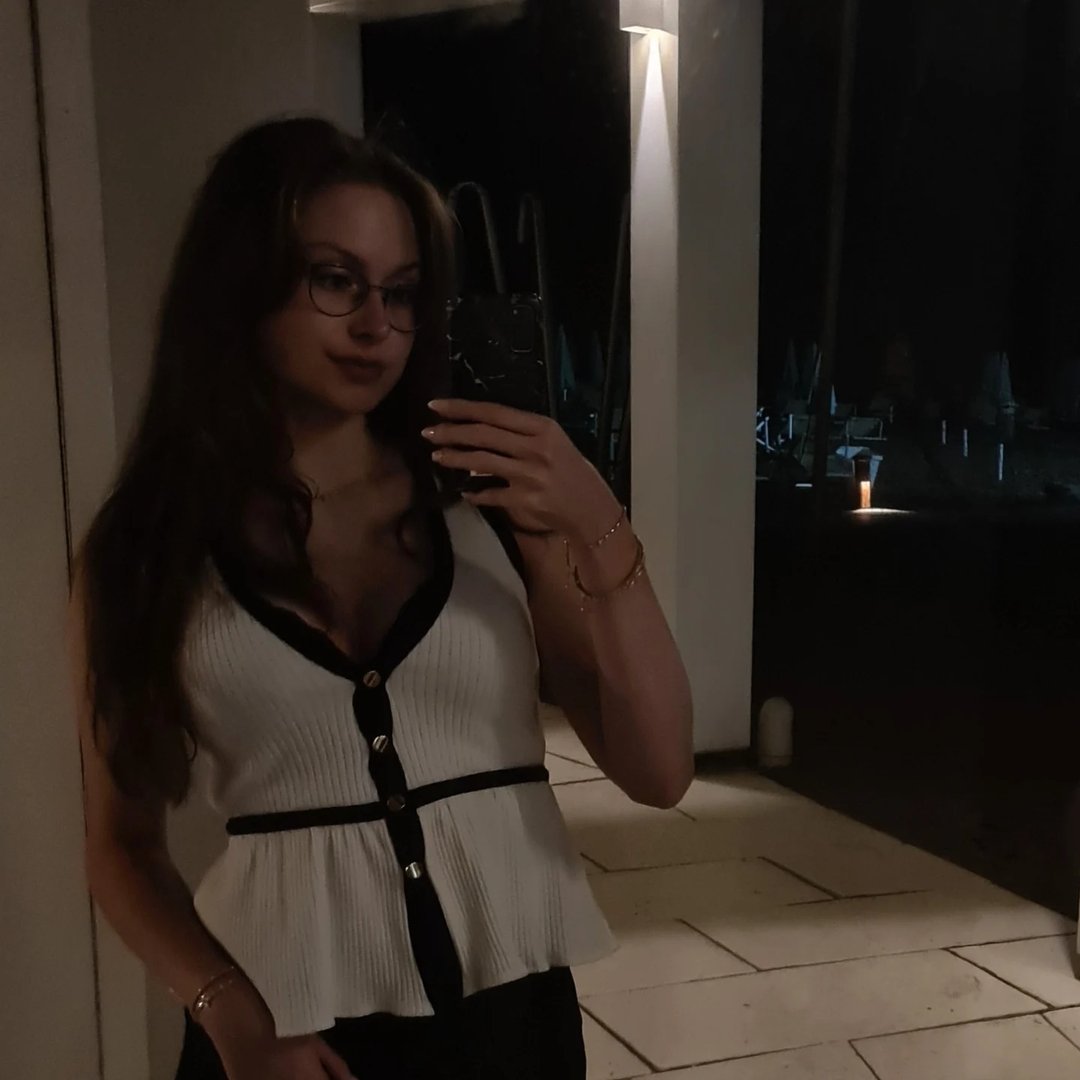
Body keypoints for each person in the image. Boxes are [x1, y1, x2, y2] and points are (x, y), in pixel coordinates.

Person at [69, 117, 694, 1080]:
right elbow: (120, 845)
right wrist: (230, 1016)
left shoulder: (485, 508)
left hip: (508, 1028)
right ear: (242, 281)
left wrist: (597, 521)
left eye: (401, 293)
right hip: (284, 1040)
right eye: (336, 280)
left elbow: (659, 770)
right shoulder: (146, 551)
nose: (376, 327)